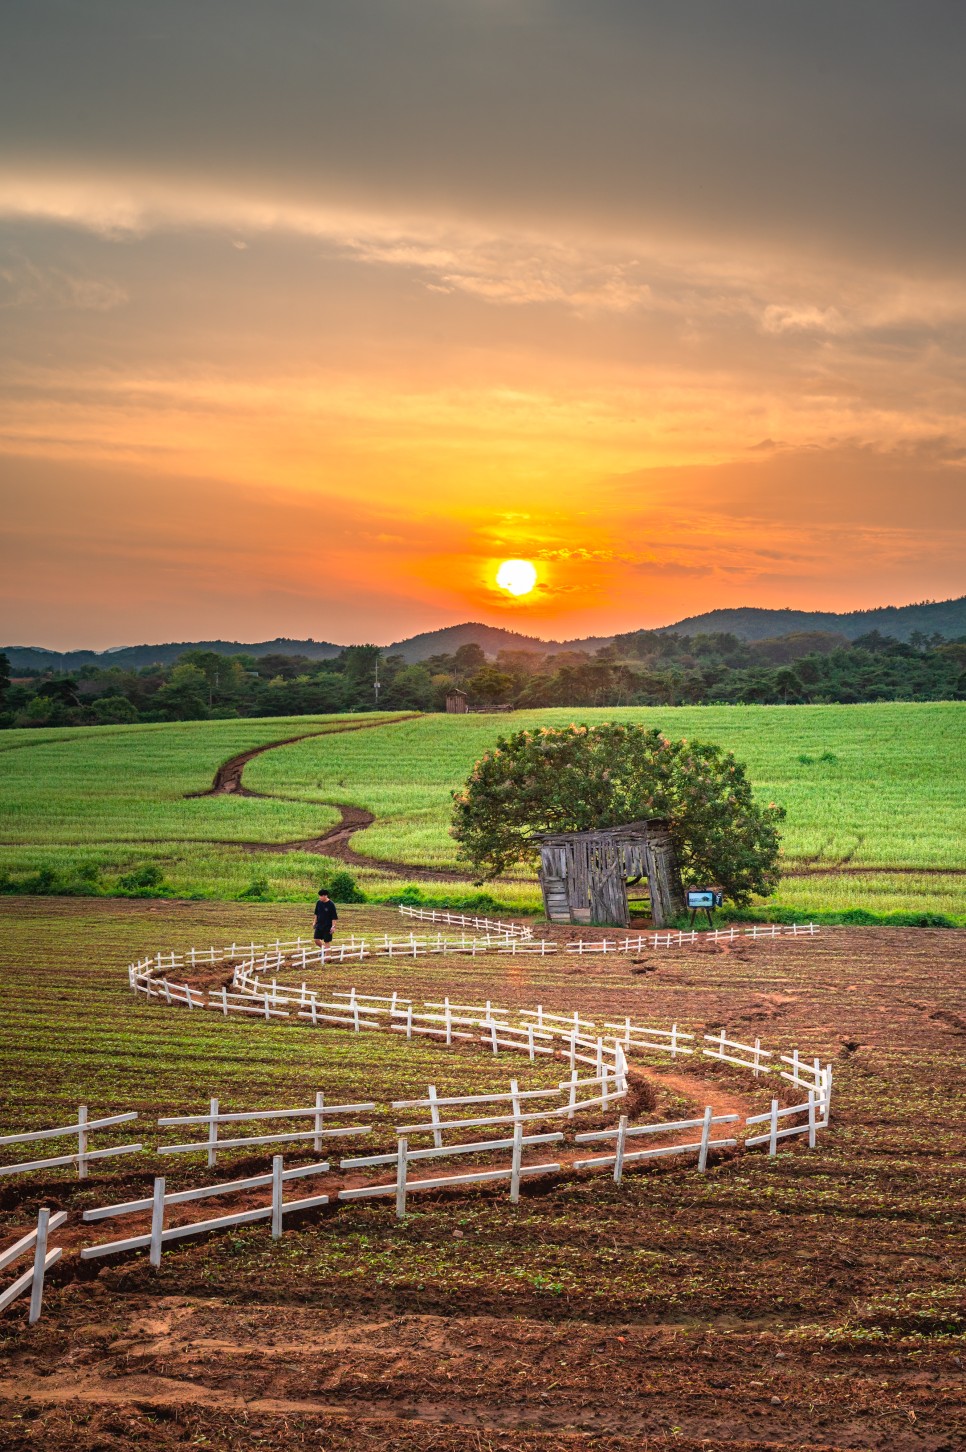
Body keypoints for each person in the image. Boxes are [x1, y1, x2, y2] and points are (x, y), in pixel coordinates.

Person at [313, 888, 338, 957]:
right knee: (316, 939)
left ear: (325, 896)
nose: (320, 897)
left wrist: (333, 927)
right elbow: (316, 913)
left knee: (327, 941)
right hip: (319, 925)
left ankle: (327, 957)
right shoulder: (318, 902)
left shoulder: (331, 904)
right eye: (319, 896)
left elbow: (334, 917)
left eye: (321, 896)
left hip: (327, 926)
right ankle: (323, 949)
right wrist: (314, 922)